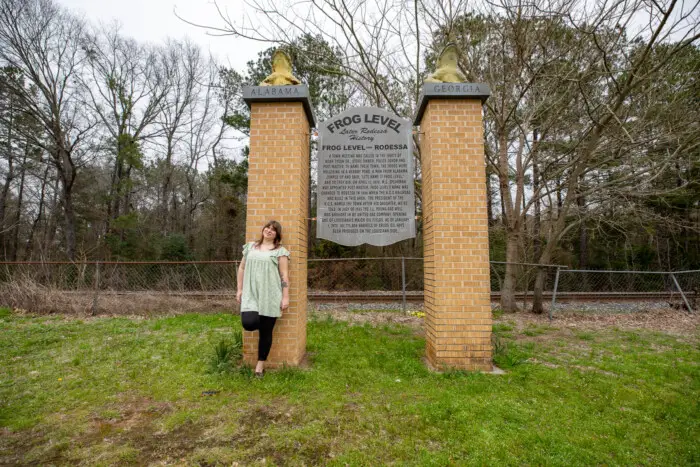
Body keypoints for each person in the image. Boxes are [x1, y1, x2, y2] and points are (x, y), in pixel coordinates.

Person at [236, 220, 290, 377]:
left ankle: (260, 366)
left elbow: (284, 275)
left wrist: (285, 297)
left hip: (270, 295)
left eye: (273, 230)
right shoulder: (250, 247)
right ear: (263, 230)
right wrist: (239, 289)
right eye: (267, 228)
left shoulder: (280, 251)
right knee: (249, 323)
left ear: (277, 235)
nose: (269, 231)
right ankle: (261, 319)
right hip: (251, 293)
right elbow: (242, 268)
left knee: (266, 332)